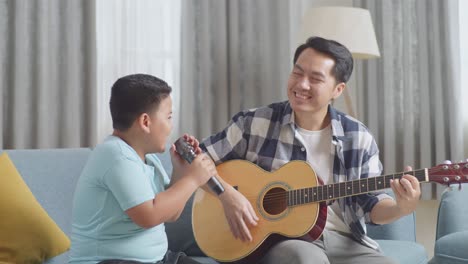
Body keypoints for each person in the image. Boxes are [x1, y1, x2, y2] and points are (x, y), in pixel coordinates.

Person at [200, 37, 421, 264]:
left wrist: (401, 208)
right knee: (306, 259)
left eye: (315, 78)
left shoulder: (359, 137)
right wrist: (226, 194)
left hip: (344, 241)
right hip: (283, 242)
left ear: (338, 89)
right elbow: (197, 158)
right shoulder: (254, 123)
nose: (302, 84)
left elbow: (372, 204)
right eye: (297, 73)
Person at [70, 74, 215, 264]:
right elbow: (150, 216)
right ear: (145, 122)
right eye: (168, 117)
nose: (171, 127)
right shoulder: (116, 155)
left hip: (157, 259)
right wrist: (193, 179)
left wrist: (181, 172)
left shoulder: (147, 158)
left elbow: (171, 214)